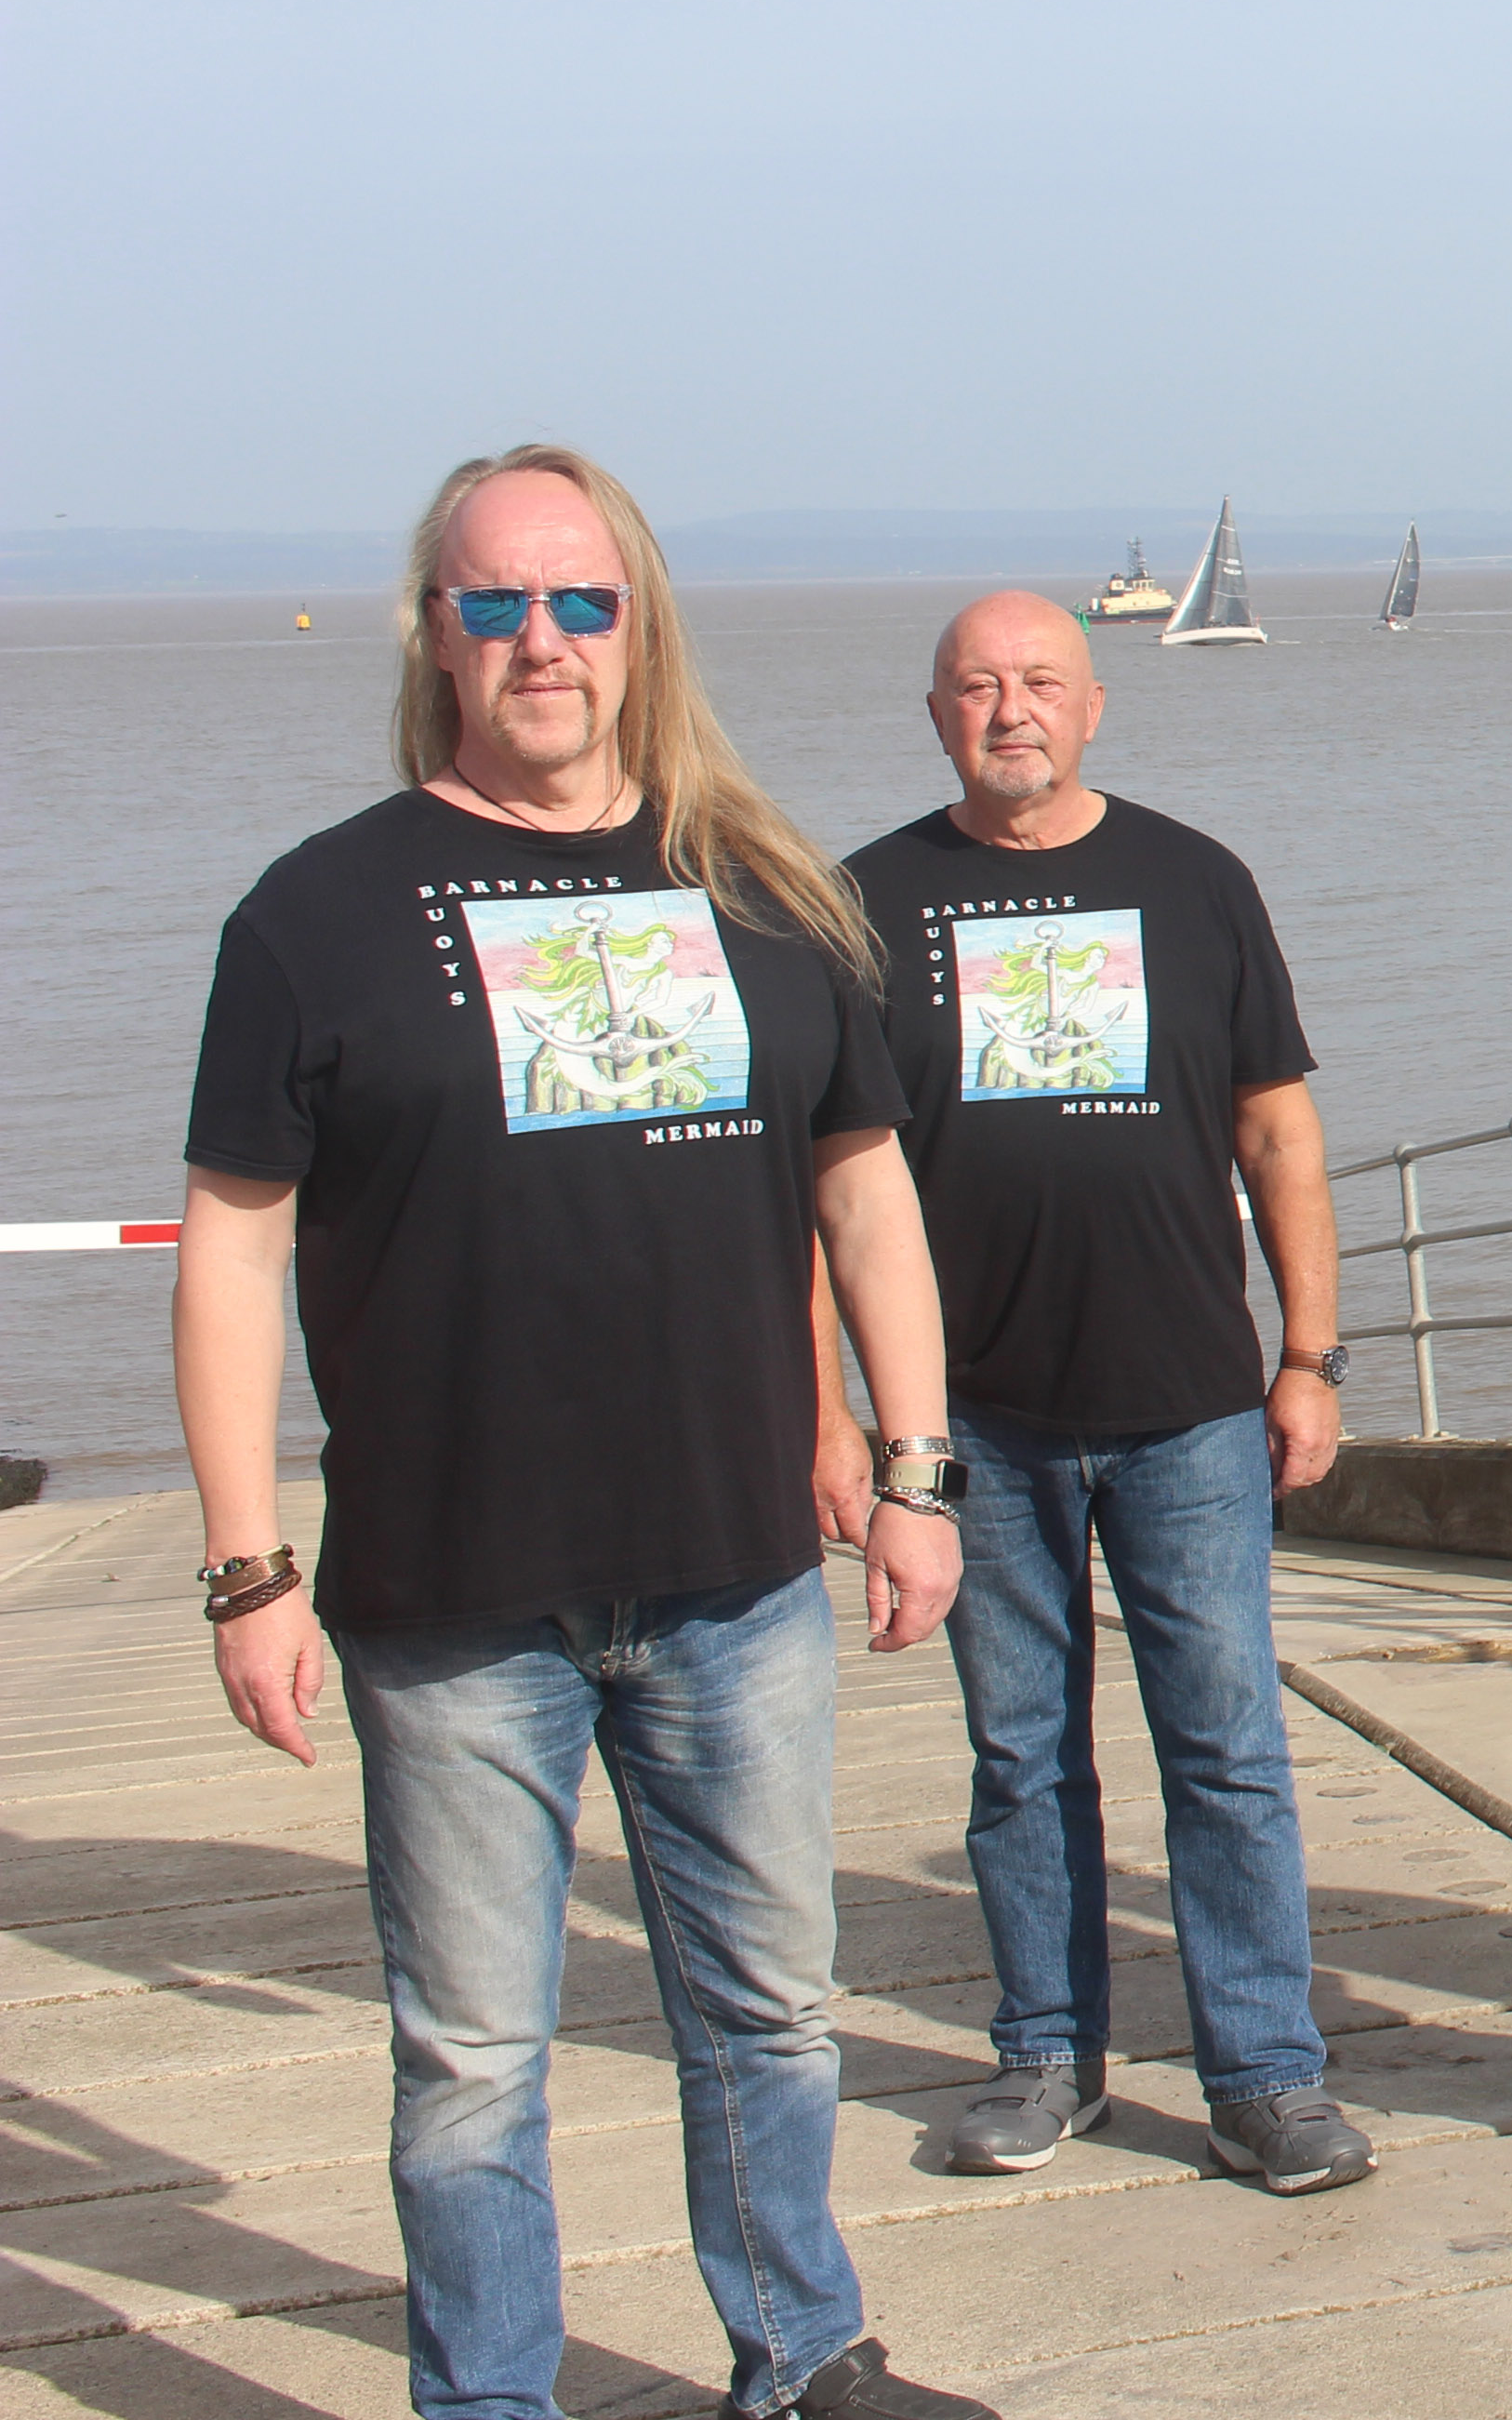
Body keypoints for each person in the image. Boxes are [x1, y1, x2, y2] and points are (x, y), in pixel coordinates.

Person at [172, 447, 996, 2420]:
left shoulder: (769, 889)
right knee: (472, 2059)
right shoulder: (314, 916)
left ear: (637, 630)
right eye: (495, 603)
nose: (540, 640)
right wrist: (245, 1565)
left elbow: (868, 1194)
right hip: (451, 1602)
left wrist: (915, 1472)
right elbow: (229, 1244)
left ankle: (801, 2358)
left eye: (580, 602)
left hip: (733, 1581)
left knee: (773, 2016)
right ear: (435, 633)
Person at [829, 592, 1369, 2195]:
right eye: (980, 687)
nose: (1012, 710)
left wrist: (1309, 1354)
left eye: (1041, 683)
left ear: (1095, 706)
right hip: (974, 1420)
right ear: (937, 716)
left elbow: (1279, 1137)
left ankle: (1266, 2077)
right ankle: (1047, 2056)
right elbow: (826, 1191)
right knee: (1019, 1755)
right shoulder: (862, 904)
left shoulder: (1196, 884)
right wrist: (846, 1429)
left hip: (1192, 1402)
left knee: (1225, 1749)